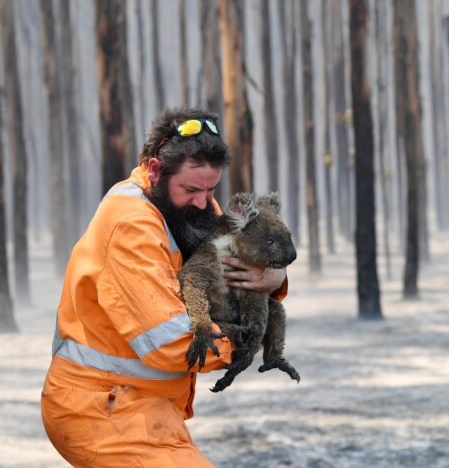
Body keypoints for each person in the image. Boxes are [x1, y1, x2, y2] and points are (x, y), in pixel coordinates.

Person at [41, 108, 288, 467]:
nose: (205, 202)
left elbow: (238, 264)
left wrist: (275, 280)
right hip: (100, 410)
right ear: (156, 171)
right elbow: (170, 341)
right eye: (191, 189)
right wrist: (245, 341)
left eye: (211, 189)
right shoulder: (131, 225)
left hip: (146, 408)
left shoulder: (186, 206)